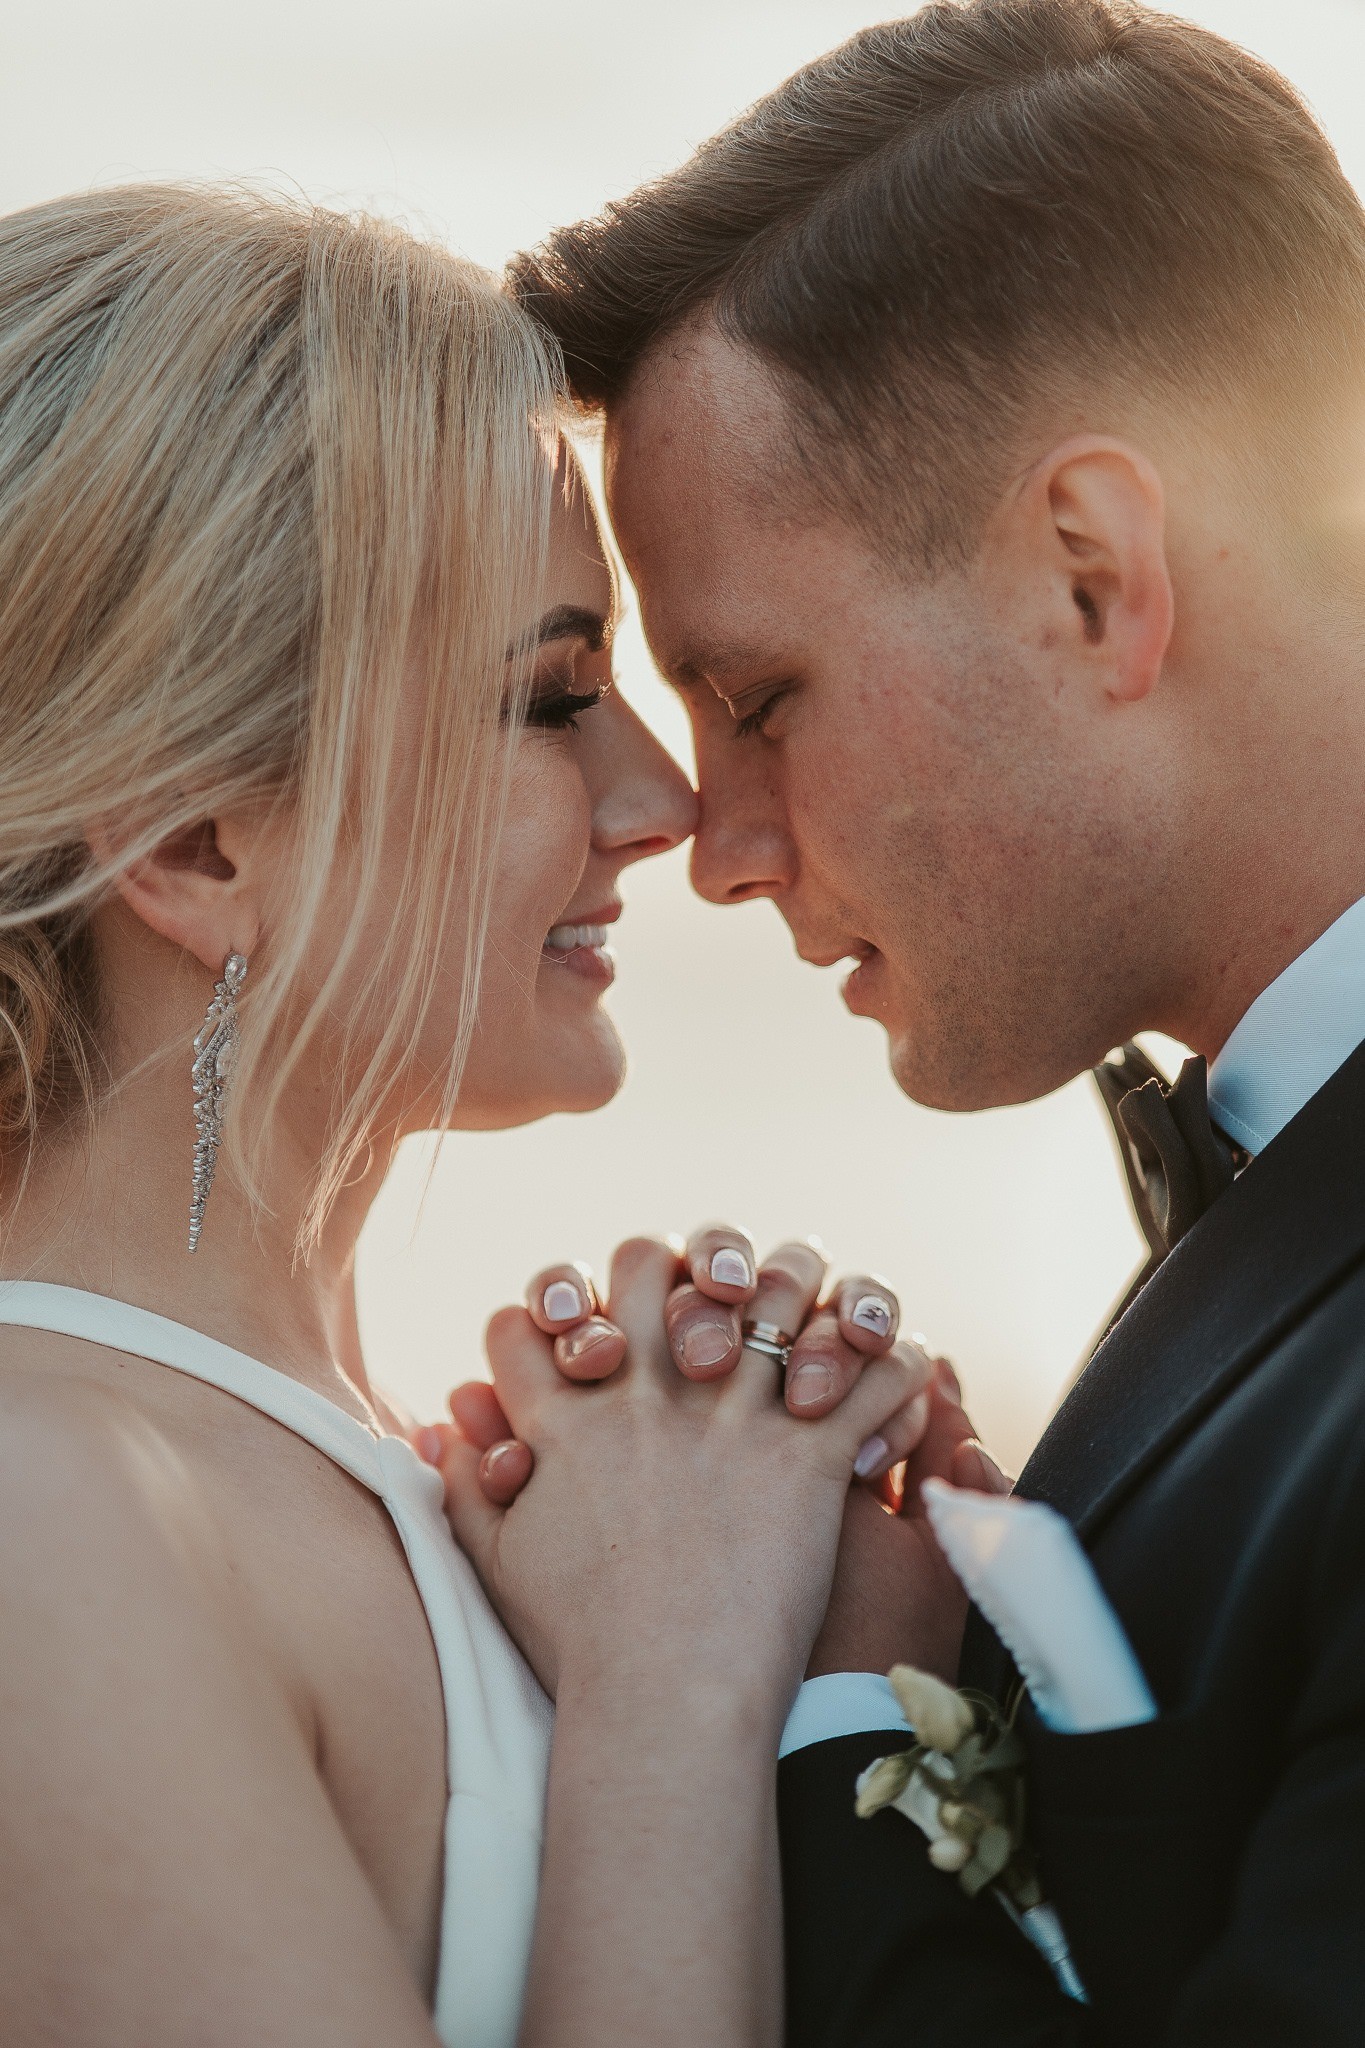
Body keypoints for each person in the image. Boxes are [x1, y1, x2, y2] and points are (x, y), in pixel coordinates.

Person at [443, 0, 1365, 2040]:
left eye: (758, 698)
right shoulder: (1258, 1204)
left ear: (1090, 576)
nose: (715, 841)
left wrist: (811, 1718)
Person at [0, 182, 930, 2048]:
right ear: (200, 846)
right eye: (550, 697)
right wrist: (675, 1683)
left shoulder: (426, 1490)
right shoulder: (44, 1516)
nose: (662, 799)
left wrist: (841, 1666)